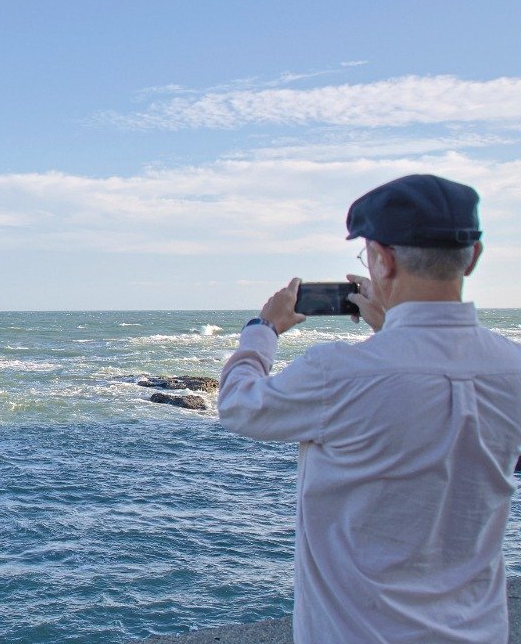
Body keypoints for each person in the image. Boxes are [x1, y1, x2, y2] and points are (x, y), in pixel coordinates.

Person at [218, 174, 521, 644]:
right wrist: (390, 332)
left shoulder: (336, 372)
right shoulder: (511, 367)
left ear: (382, 260)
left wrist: (264, 328)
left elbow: (240, 406)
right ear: (474, 256)